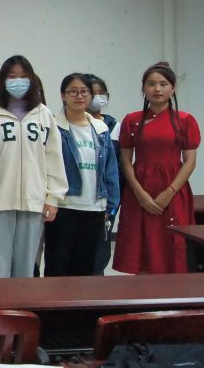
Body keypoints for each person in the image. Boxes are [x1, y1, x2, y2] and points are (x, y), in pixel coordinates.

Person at [0, 55, 67, 278]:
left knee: (25, 268)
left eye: (23, 76)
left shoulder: (44, 114)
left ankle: (22, 302)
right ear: (3, 81)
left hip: (34, 201)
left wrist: (53, 197)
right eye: (12, 76)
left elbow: (54, 157)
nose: (18, 81)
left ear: (32, 80)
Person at [114, 62, 199, 274]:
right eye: (151, 84)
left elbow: (190, 161)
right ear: (143, 88)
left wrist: (169, 192)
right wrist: (140, 193)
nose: (157, 89)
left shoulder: (185, 120)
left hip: (174, 189)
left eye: (163, 84)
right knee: (140, 244)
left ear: (173, 88)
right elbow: (125, 159)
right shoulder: (131, 120)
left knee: (173, 244)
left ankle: (175, 292)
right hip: (139, 188)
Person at [46, 73, 119, 277]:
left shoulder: (101, 128)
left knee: (86, 270)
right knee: (58, 268)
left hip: (94, 207)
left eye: (84, 92)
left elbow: (110, 169)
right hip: (63, 207)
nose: (79, 96)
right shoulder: (54, 127)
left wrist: (111, 205)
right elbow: (47, 167)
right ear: (63, 95)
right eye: (73, 91)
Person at [86, 73, 121, 275]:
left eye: (102, 92)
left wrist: (113, 204)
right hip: (76, 200)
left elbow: (117, 168)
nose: (98, 97)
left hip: (105, 200)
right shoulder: (63, 125)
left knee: (99, 253)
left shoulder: (114, 126)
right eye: (93, 93)